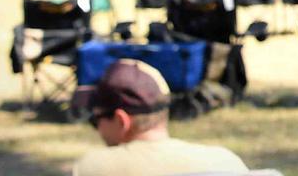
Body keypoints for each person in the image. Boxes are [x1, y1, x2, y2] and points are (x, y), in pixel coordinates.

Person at [71, 59, 249, 176]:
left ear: (121, 120)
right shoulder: (225, 162)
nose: (97, 129)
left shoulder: (92, 168)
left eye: (96, 120)